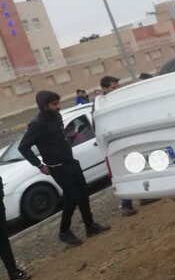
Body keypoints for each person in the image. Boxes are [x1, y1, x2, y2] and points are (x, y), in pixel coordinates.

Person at [18, 91, 110, 246]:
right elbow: (23, 147)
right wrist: (39, 165)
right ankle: (64, 231)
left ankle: (90, 226)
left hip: (70, 162)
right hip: (57, 167)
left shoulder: (57, 116)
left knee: (83, 194)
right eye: (54, 104)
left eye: (58, 103)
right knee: (72, 197)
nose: (58, 107)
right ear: (44, 105)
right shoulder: (37, 124)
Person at [99, 76, 137, 216]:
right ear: (105, 89)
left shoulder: (120, 99)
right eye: (113, 87)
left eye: (118, 86)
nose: (117, 89)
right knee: (120, 172)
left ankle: (147, 196)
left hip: (128, 138)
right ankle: (125, 204)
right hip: (114, 143)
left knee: (137, 165)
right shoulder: (100, 104)